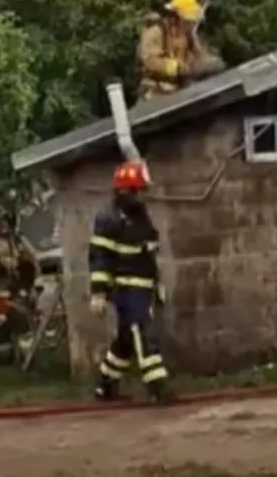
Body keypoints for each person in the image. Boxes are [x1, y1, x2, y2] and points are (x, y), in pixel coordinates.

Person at [88, 159, 170, 404]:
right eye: (138, 191)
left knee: (126, 339)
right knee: (141, 331)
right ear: (125, 191)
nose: (142, 196)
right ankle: (158, 386)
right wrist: (99, 293)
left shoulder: (140, 218)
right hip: (126, 288)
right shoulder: (109, 219)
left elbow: (148, 255)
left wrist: (157, 284)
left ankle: (106, 385)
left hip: (143, 287)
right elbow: (99, 258)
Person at [0, 208, 39, 363]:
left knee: (22, 321)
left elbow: (34, 263)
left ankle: (26, 355)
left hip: (14, 296)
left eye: (4, 222)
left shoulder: (19, 243)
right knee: (4, 332)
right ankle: (8, 352)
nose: (2, 226)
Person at [137, 0, 225, 101]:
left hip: (179, 89)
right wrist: (177, 68)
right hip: (156, 92)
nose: (192, 24)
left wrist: (208, 64)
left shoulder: (188, 34)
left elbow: (200, 55)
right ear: (177, 17)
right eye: (189, 21)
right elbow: (150, 61)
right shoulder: (155, 32)